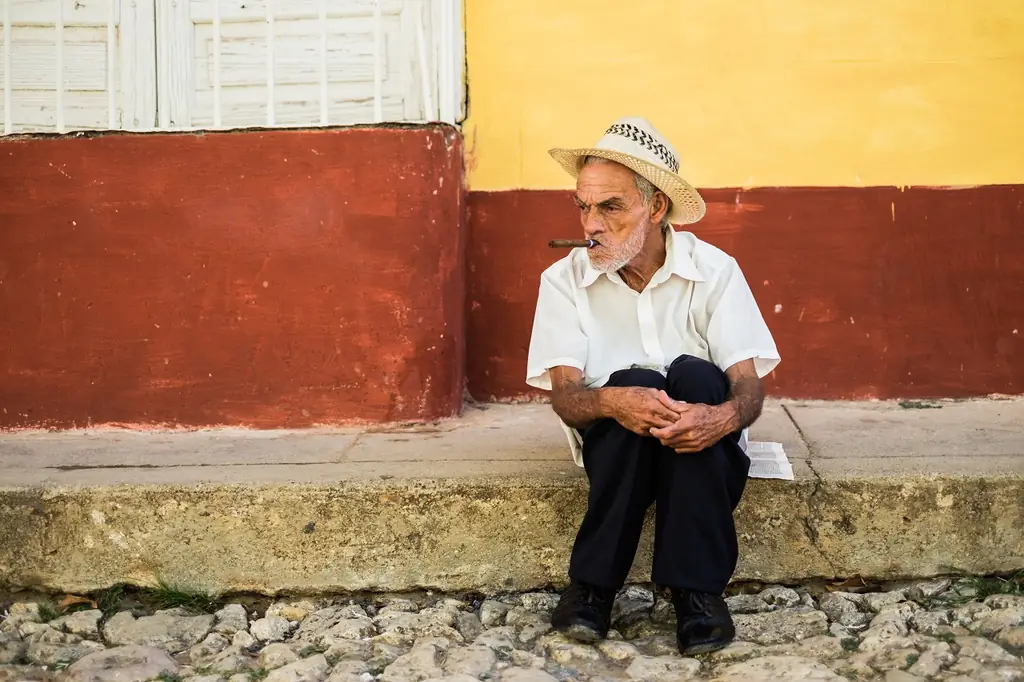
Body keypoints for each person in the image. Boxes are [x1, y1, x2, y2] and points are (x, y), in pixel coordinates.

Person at [525, 116, 781, 655]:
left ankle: (696, 593)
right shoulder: (563, 280)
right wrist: (616, 401)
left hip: (702, 446)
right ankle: (593, 588)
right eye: (583, 206)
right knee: (631, 381)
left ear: (656, 207)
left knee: (696, 376)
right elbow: (568, 400)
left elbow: (749, 389)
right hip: (617, 449)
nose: (590, 223)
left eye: (610, 206)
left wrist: (720, 418)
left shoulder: (715, 271)